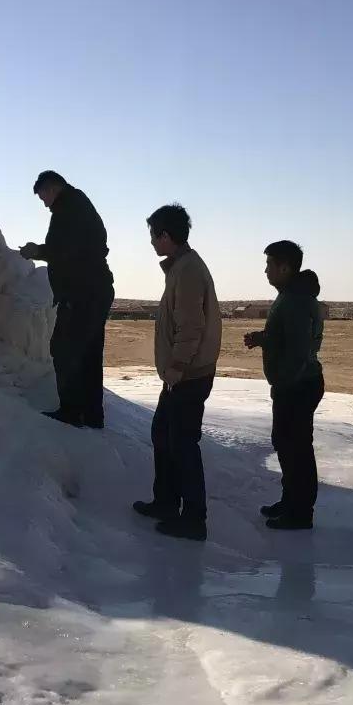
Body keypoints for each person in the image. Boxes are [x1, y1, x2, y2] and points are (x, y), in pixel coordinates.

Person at [132, 204, 222, 541]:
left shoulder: (187, 271)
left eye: (154, 236)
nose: (152, 243)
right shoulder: (181, 268)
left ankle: (193, 517)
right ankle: (166, 502)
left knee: (182, 442)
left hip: (188, 374)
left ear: (166, 236)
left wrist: (177, 367)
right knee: (164, 435)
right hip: (182, 373)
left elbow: (190, 327)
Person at [20, 171, 114, 428]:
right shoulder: (77, 204)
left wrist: (37, 251)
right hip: (95, 288)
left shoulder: (69, 208)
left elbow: (66, 250)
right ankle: (93, 415)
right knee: (90, 353)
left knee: (64, 349)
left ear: (52, 188)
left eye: (43, 197)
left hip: (82, 292)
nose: (44, 203)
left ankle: (71, 412)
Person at [244, 242, 325, 530]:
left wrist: (285, 382)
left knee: (297, 448)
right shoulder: (290, 296)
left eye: (270, 265)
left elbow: (300, 349)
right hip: (293, 384)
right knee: (286, 443)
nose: (265, 270)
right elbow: (286, 337)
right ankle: (291, 500)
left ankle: (301, 513)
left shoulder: (296, 301)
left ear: (285, 268)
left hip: (297, 386)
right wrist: (262, 338)